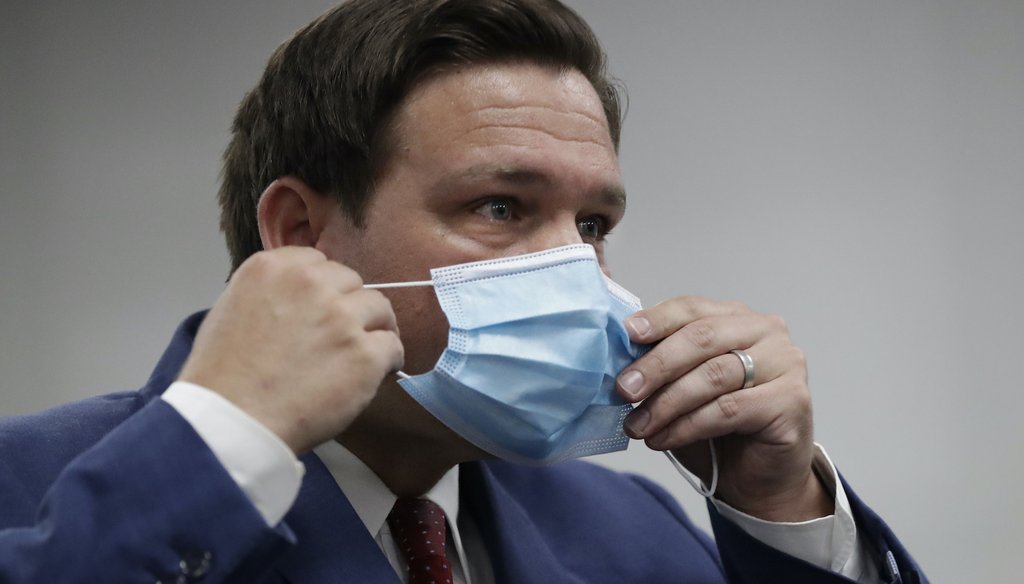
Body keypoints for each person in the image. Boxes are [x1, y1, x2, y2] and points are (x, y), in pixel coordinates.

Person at [0, 1, 928, 582]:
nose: (576, 270)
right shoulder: (23, 485)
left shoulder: (631, 530)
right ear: (298, 236)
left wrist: (778, 508)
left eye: (594, 225)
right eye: (500, 205)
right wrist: (226, 437)